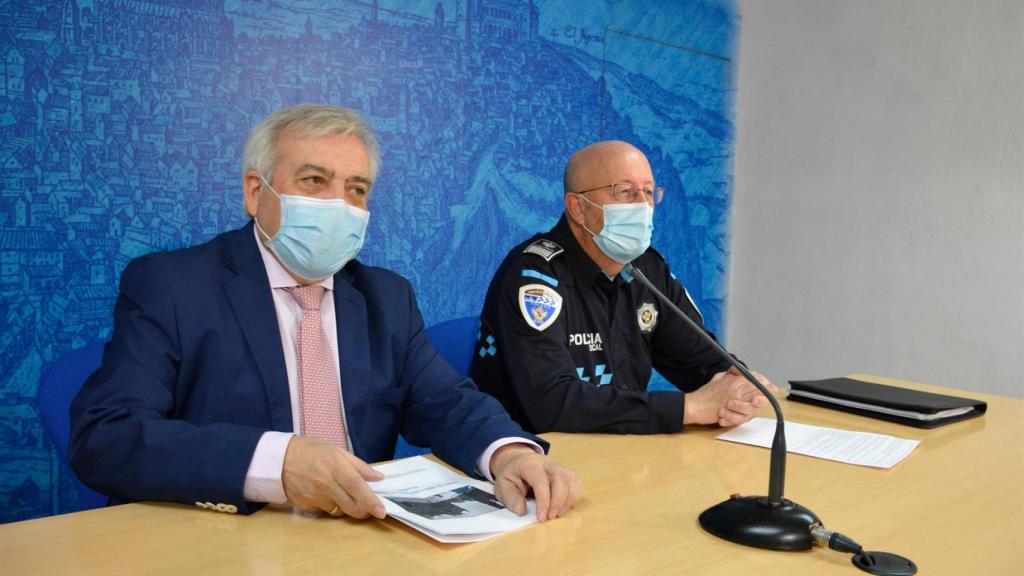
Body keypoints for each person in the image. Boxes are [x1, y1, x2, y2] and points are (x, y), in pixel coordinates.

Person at [70, 105, 581, 522]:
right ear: (256, 192)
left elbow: (446, 402)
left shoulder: (386, 297)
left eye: (356, 189)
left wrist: (508, 453)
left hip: (360, 539)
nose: (340, 204)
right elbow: (106, 436)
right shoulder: (173, 286)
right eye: (315, 181)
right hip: (226, 540)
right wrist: (276, 462)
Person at [470, 140, 778, 434]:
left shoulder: (647, 269)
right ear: (578, 207)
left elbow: (699, 361)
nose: (643, 206)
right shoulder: (534, 275)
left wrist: (736, 388)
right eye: (625, 192)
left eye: (648, 192)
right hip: (532, 461)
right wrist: (691, 408)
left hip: (622, 453)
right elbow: (552, 404)